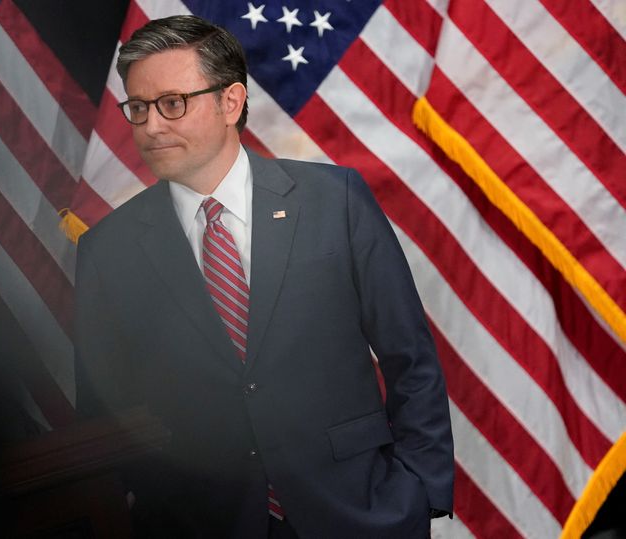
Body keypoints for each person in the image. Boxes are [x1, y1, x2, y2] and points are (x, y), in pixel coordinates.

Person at [74, 15, 453, 539]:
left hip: (361, 512)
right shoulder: (105, 250)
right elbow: (103, 419)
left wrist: (420, 489)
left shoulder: (336, 200)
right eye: (138, 107)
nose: (151, 126)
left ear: (231, 102)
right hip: (200, 522)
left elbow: (411, 357)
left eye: (172, 103)